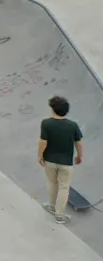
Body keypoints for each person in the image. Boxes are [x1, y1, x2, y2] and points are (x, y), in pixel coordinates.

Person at [40, 95, 84, 224]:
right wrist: (79, 156)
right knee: (64, 187)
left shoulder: (46, 123)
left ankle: (52, 205)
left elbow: (43, 142)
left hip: (49, 160)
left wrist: (40, 155)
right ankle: (59, 215)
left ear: (53, 109)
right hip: (66, 163)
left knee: (52, 183)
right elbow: (79, 143)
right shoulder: (73, 125)